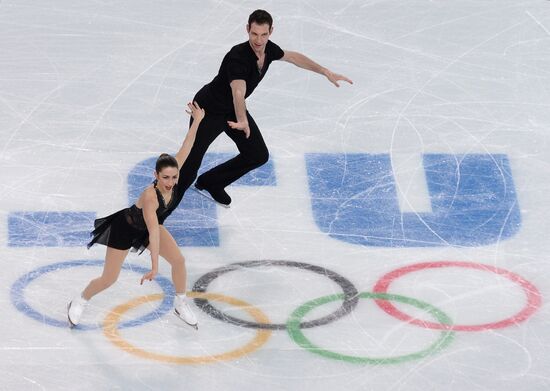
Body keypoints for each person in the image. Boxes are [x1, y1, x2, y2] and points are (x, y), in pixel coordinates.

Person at [181, 9, 353, 207]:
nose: (259, 40)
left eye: (263, 34)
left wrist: (325, 71)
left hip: (232, 110)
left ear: (271, 31)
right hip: (208, 111)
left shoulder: (269, 50)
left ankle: (211, 182)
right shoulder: (238, 56)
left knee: (257, 155)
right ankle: (156, 212)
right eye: (254, 34)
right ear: (247, 30)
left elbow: (293, 57)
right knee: (189, 166)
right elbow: (238, 92)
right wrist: (242, 119)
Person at [67, 102, 206, 330]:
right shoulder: (151, 197)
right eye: (166, 178)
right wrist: (154, 268)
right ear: (156, 175)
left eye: (174, 177)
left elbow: (187, 145)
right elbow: (152, 231)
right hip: (127, 228)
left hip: (150, 227)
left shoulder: (174, 170)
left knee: (179, 261)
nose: (171, 183)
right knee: (109, 278)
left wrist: (198, 120)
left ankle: (180, 302)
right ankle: (80, 299)